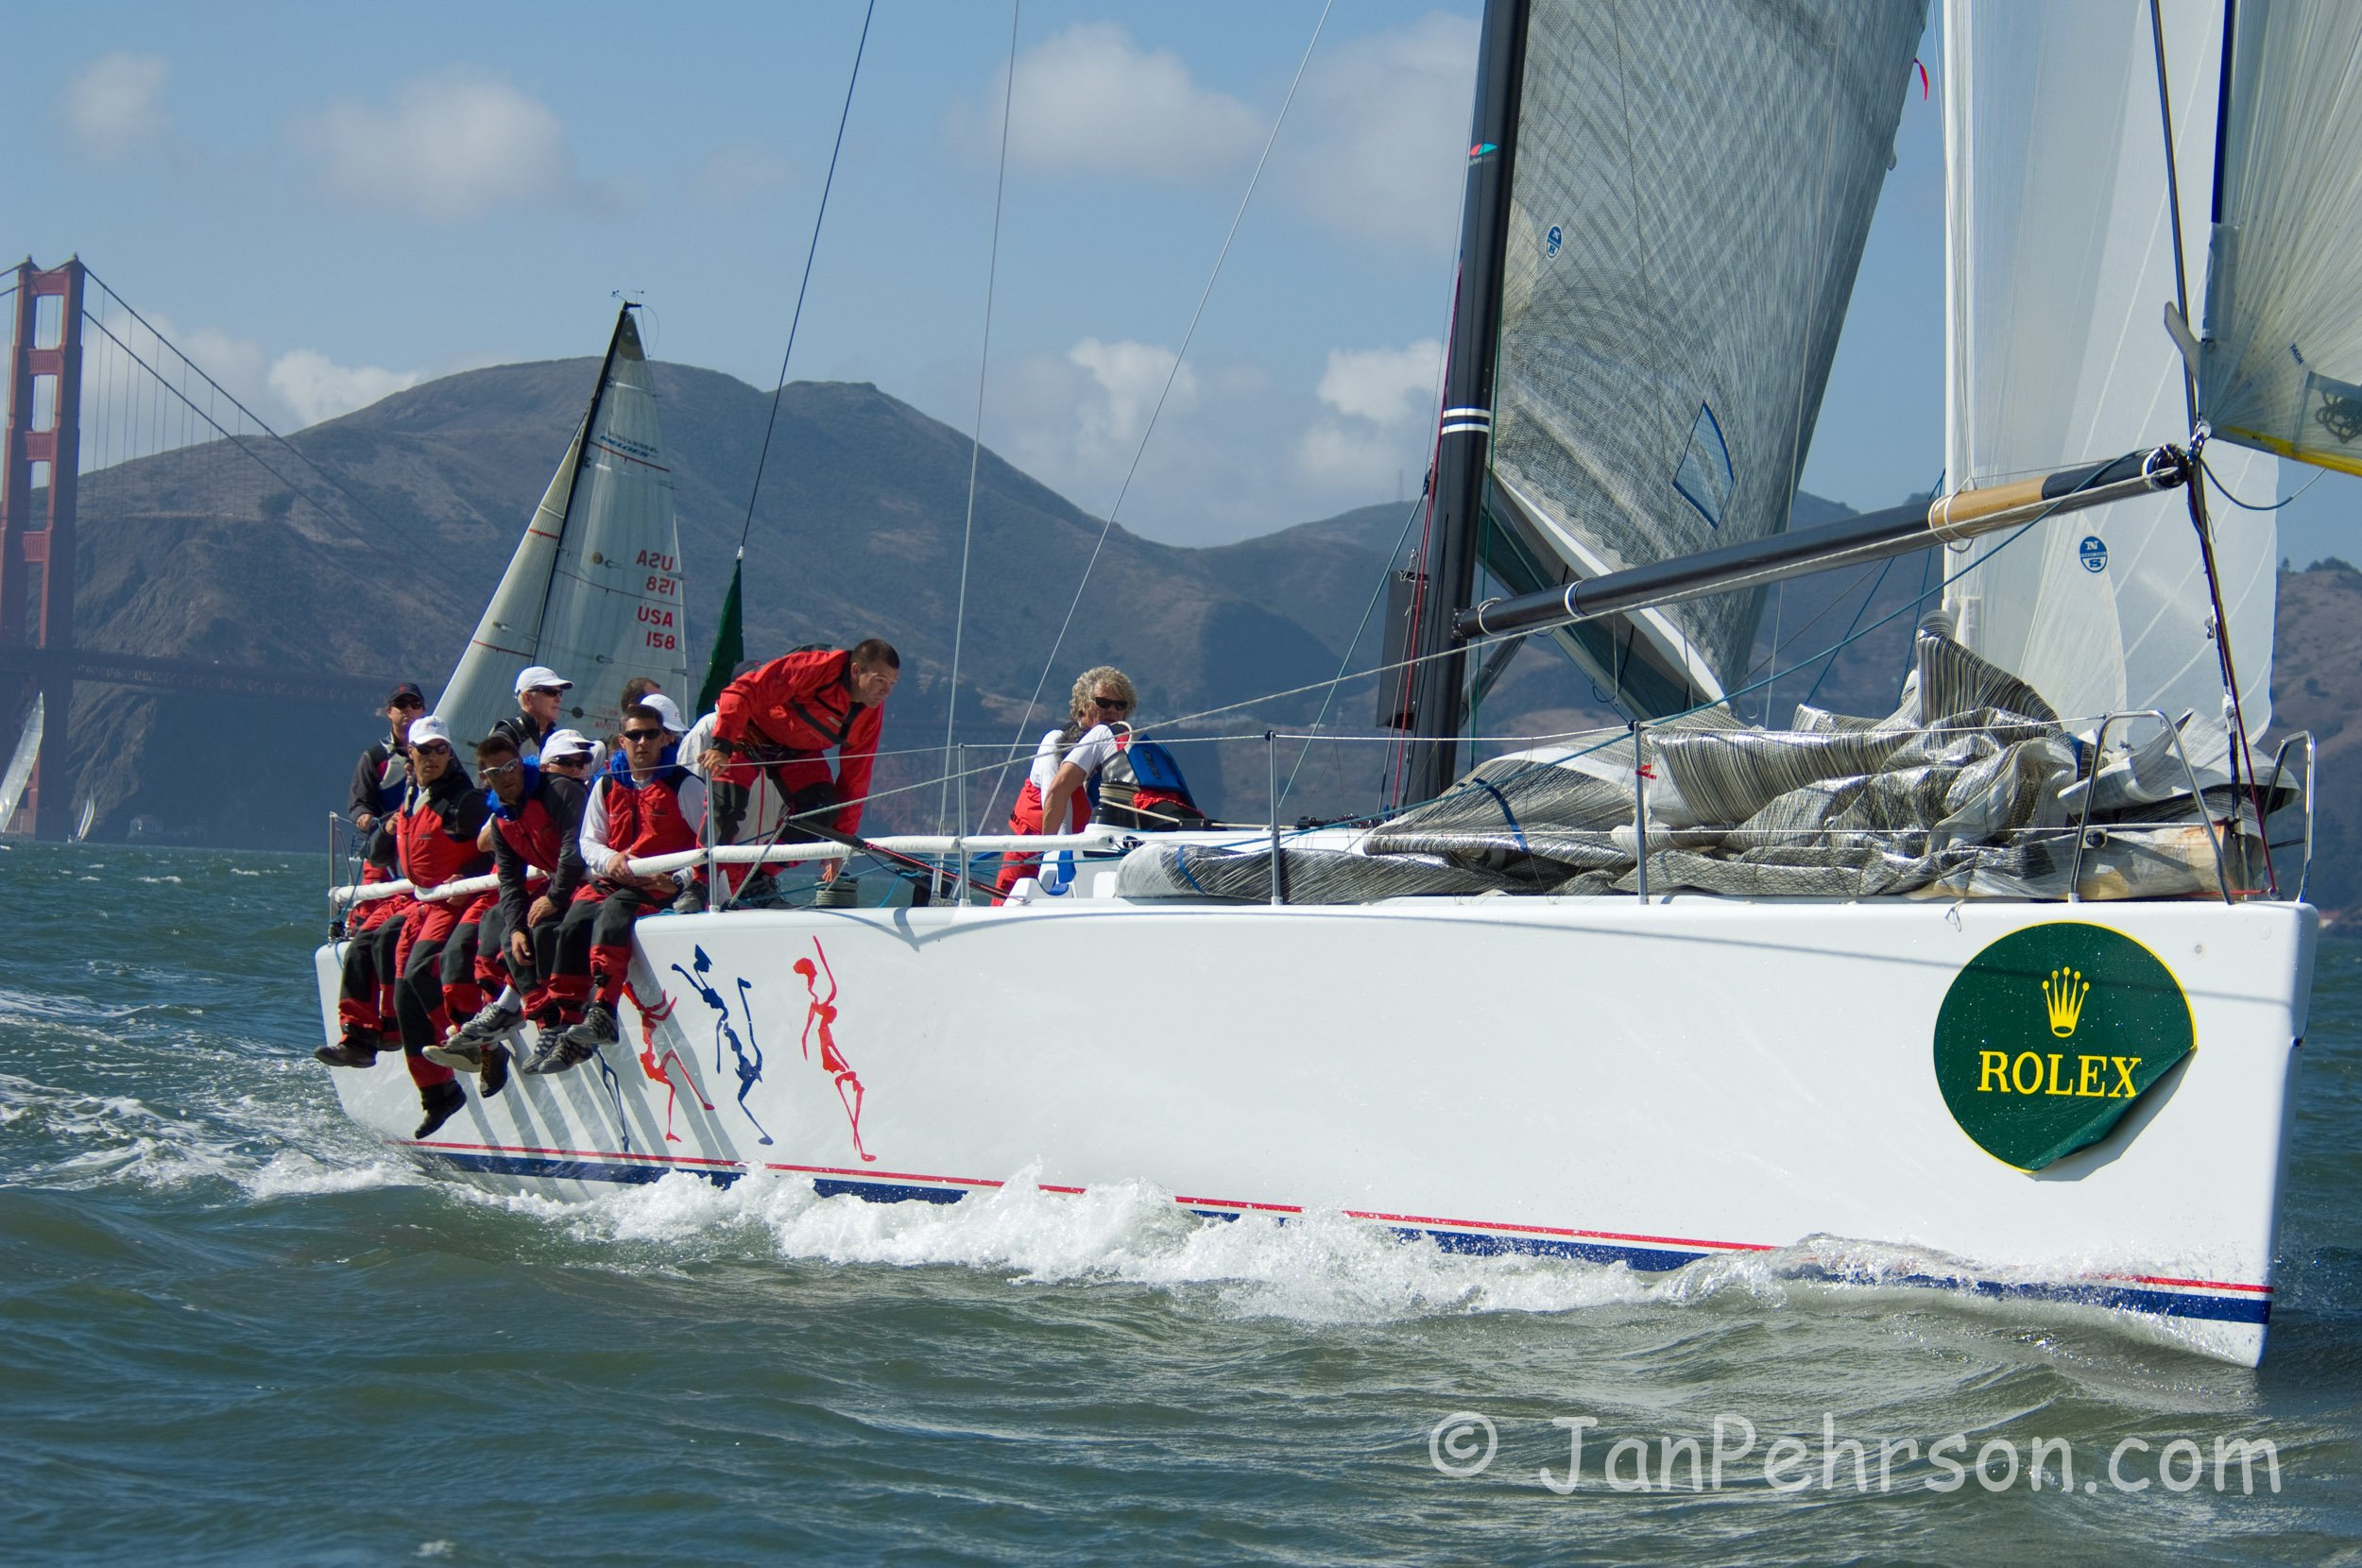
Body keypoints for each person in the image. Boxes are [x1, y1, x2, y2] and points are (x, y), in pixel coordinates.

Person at [531, 703, 707, 1072]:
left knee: (613, 913)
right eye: (634, 735)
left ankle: (603, 1012)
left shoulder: (684, 785)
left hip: (660, 885)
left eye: (650, 734)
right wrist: (610, 859)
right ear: (621, 741)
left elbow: (708, 847)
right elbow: (589, 842)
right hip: (614, 879)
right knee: (573, 920)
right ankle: (569, 1024)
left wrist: (679, 880)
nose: (642, 742)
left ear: (663, 739)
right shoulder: (607, 784)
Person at [430, 732, 588, 1071]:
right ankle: (534, 1017)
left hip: (588, 881)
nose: (506, 776)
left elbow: (573, 852)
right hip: (559, 884)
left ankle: (556, 1020)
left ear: (521, 763)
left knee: (542, 926)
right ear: (484, 778)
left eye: (511, 766)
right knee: (506, 930)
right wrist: (516, 928)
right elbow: (510, 881)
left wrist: (554, 899)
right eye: (495, 772)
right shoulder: (501, 819)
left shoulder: (560, 791)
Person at [701, 639, 899, 885]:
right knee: (726, 803)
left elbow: (856, 779)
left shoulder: (870, 713)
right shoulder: (816, 666)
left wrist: (840, 842)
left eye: (892, 684)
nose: (886, 691)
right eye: (880, 680)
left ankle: (758, 879)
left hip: (797, 750)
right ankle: (701, 882)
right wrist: (721, 745)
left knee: (822, 810)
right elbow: (742, 690)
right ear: (856, 670)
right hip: (751, 733)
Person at [388, 715, 503, 1135]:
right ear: (411, 754)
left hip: (459, 900)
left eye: (442, 749)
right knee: (405, 996)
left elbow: (495, 846)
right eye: (426, 750)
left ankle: (482, 1046)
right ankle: (439, 1095)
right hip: (425, 901)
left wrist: (467, 876)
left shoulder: (464, 799)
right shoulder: (412, 795)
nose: (434, 757)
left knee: (423, 970)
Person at [320, 682, 424, 1067]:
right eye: (401, 705)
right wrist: (371, 822)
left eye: (415, 705)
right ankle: (362, 1030)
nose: (408, 711)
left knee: (391, 936)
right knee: (366, 931)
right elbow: (360, 805)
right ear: (389, 712)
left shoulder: (437, 753)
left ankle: (392, 1024)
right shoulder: (375, 757)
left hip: (424, 856)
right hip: (383, 854)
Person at [996, 666, 1136, 901]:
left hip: (1078, 852)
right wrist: (1055, 857)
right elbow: (1055, 796)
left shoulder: (1114, 749)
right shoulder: (1056, 742)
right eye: (1103, 703)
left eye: (1120, 705)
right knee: (1005, 908)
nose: (1112, 710)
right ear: (1083, 705)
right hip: (1033, 852)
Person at [490, 665, 572, 760]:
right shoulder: (507, 736)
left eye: (560, 693)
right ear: (527, 698)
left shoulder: (557, 740)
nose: (559, 699)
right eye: (551, 692)